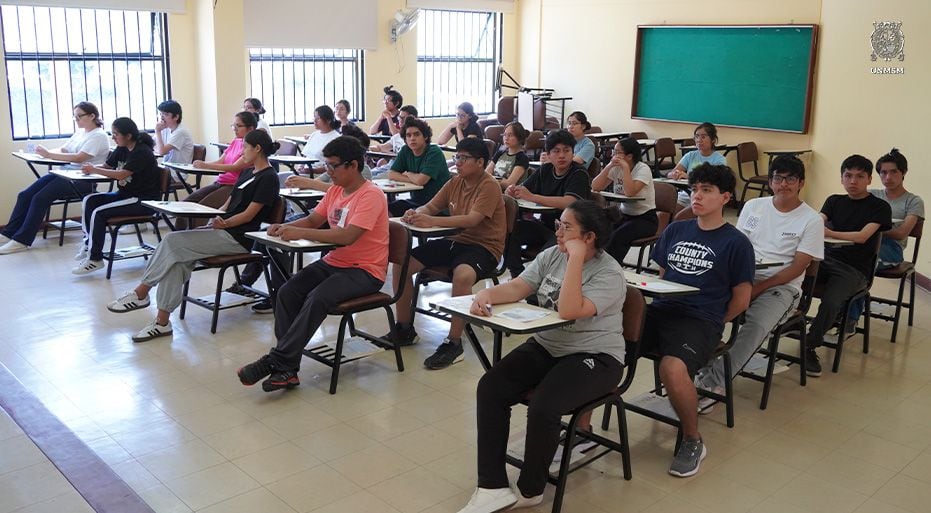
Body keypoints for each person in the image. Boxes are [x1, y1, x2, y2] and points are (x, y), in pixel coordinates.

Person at [456, 200, 625, 513]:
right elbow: (520, 286)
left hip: (596, 356)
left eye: (566, 227)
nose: (557, 232)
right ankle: (492, 485)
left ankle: (531, 488)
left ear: (588, 238)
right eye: (558, 224)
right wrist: (484, 295)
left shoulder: (610, 274)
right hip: (549, 344)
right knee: (491, 387)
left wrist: (575, 259)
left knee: (545, 405)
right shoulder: (552, 254)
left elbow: (570, 310)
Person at [236, 136, 389, 392]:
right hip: (336, 263)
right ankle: (287, 369)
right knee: (287, 292)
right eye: (326, 165)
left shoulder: (371, 195)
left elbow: (347, 236)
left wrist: (301, 234)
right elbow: (312, 220)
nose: (327, 172)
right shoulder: (336, 190)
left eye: (332, 166)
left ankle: (278, 360)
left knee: (317, 298)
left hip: (365, 270)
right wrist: (286, 226)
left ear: (353, 165)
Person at [105, 130, 281, 342]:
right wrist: (212, 221)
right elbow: (227, 205)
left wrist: (225, 223)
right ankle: (162, 322)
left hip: (238, 239)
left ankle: (141, 292)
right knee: (177, 259)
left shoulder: (268, 178)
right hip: (222, 231)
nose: (240, 152)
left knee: (172, 240)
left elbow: (249, 215)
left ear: (257, 149)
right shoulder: (246, 173)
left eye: (244, 147)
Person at [641, 163, 755, 477]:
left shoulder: (736, 243)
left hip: (701, 320)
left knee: (672, 367)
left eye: (706, 190)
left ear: (725, 197)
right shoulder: (677, 229)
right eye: (694, 189)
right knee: (608, 344)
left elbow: (742, 298)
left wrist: (715, 322)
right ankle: (582, 428)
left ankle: (693, 439)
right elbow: (664, 277)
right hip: (664, 310)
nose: (697, 196)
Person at [694, 155, 823, 410]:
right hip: (743, 275)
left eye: (790, 179)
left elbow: (798, 267)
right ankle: (703, 369)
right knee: (704, 308)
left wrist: (758, 288)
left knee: (756, 324)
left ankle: (715, 383)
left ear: (801, 183)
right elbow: (735, 246)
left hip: (781, 288)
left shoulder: (811, 219)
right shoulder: (754, 206)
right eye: (777, 178)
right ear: (770, 181)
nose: (783, 184)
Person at [385, 138, 507, 369]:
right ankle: (404, 328)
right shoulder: (455, 181)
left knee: (462, 276)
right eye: (457, 157)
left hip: (484, 247)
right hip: (455, 240)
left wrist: (431, 220)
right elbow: (431, 206)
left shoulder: (488, 185)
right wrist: (416, 212)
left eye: (463, 158)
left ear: (480, 162)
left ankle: (453, 342)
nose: (457, 162)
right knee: (402, 263)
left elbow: (472, 220)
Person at [805, 155, 892, 376]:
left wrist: (829, 233)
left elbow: (862, 237)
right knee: (790, 278)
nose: (853, 181)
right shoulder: (834, 200)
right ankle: (783, 326)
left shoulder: (879, 207)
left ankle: (809, 346)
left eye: (860, 176)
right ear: (842, 178)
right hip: (825, 259)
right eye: (848, 176)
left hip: (854, 269)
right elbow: (816, 222)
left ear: (869, 179)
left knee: (831, 302)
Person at [0, 102, 109, 255]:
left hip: (82, 180)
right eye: (75, 117)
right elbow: (65, 149)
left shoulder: (99, 135)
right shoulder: (80, 132)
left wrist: (49, 155)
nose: (77, 119)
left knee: (40, 198)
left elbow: (79, 158)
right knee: (25, 195)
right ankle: (7, 234)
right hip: (65, 174)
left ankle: (21, 241)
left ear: (92, 116)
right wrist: (42, 153)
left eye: (80, 116)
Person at [71, 117, 162, 275]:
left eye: (116, 134)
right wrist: (88, 169)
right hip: (125, 194)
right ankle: (88, 244)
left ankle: (95, 259)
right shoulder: (121, 148)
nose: (113, 137)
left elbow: (121, 175)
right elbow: (106, 166)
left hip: (142, 200)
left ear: (128, 136)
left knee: (99, 213)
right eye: (112, 134)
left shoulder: (142, 152)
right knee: (89, 200)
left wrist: (95, 170)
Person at [504, 129, 591, 278]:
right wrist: (512, 191)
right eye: (556, 151)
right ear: (548, 154)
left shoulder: (579, 173)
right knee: (511, 230)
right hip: (545, 227)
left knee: (547, 255)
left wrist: (532, 197)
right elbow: (523, 189)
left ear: (573, 152)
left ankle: (537, 284)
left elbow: (570, 202)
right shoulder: (545, 169)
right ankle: (517, 276)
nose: (562, 155)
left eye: (566, 150)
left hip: (570, 232)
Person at [591, 138, 657, 264]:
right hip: (624, 216)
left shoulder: (642, 169)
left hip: (645, 219)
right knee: (602, 231)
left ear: (629, 156)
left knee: (618, 236)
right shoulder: (615, 167)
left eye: (617, 152)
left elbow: (630, 192)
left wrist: (626, 168)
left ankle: (610, 269)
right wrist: (609, 166)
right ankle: (595, 264)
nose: (613, 154)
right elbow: (595, 186)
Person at [181, 111, 258, 220]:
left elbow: (235, 167)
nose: (235, 129)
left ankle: (196, 234)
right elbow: (221, 161)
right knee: (187, 204)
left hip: (232, 186)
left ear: (250, 129)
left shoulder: (250, 147)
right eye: (233, 126)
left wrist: (206, 166)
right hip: (220, 182)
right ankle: (179, 233)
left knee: (201, 210)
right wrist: (202, 164)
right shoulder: (236, 141)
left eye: (239, 126)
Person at [870, 148, 924, 269]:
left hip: (892, 249)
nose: (888, 177)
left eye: (894, 172)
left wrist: (869, 230)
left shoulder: (913, 201)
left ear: (903, 172)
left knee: (858, 257)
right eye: (883, 172)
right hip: (866, 241)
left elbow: (901, 233)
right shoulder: (871, 195)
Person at [386, 117, 451, 216]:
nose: (412, 138)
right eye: (408, 135)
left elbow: (421, 181)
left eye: (416, 134)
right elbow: (392, 174)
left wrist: (408, 173)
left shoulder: (434, 152)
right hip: (416, 201)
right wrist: (413, 177)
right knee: (386, 209)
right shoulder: (405, 150)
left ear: (425, 136)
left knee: (408, 215)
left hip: (437, 206)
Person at [283, 124, 373, 192]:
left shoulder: (362, 170)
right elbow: (319, 181)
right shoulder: (334, 167)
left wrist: (309, 183)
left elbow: (339, 190)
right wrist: (299, 182)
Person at [279, 105, 343, 187]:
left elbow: (333, 166)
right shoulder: (314, 135)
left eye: (318, 118)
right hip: (305, 173)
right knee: (280, 178)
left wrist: (312, 170)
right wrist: (301, 167)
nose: (315, 121)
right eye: (314, 118)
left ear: (328, 120)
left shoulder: (336, 138)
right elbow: (305, 156)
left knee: (289, 181)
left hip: (319, 176)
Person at [668, 122, 727, 206]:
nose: (699, 140)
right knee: (669, 211)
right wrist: (674, 174)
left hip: (707, 196)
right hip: (687, 194)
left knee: (683, 215)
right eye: (696, 136)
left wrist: (689, 176)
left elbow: (714, 180)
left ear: (713, 139)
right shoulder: (690, 155)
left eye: (703, 137)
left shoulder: (719, 159)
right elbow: (672, 172)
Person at [486, 121, 531, 190]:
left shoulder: (522, 158)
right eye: (504, 135)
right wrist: (500, 180)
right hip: (493, 189)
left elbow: (509, 184)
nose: (506, 138)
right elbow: (486, 174)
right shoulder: (500, 152)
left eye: (510, 135)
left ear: (519, 138)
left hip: (510, 195)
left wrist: (491, 179)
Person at [154, 100, 194, 165]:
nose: (161, 118)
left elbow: (162, 151)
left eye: (166, 114)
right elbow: (152, 145)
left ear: (176, 117)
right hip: (167, 168)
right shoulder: (166, 129)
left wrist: (157, 131)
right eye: (160, 114)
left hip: (176, 172)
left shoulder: (181, 132)